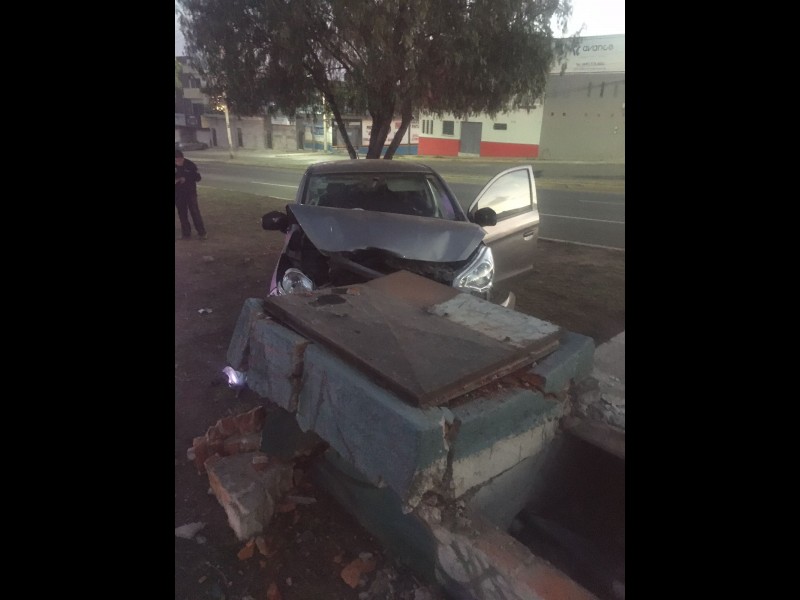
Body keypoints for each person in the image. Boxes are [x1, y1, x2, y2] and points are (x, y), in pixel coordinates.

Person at [175, 148, 207, 240]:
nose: (178, 162)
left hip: (190, 192)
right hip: (178, 194)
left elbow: (198, 178)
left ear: (182, 158)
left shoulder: (190, 165)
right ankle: (186, 233)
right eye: (176, 161)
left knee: (195, 212)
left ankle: (201, 232)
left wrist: (186, 178)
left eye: (179, 160)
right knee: (182, 214)